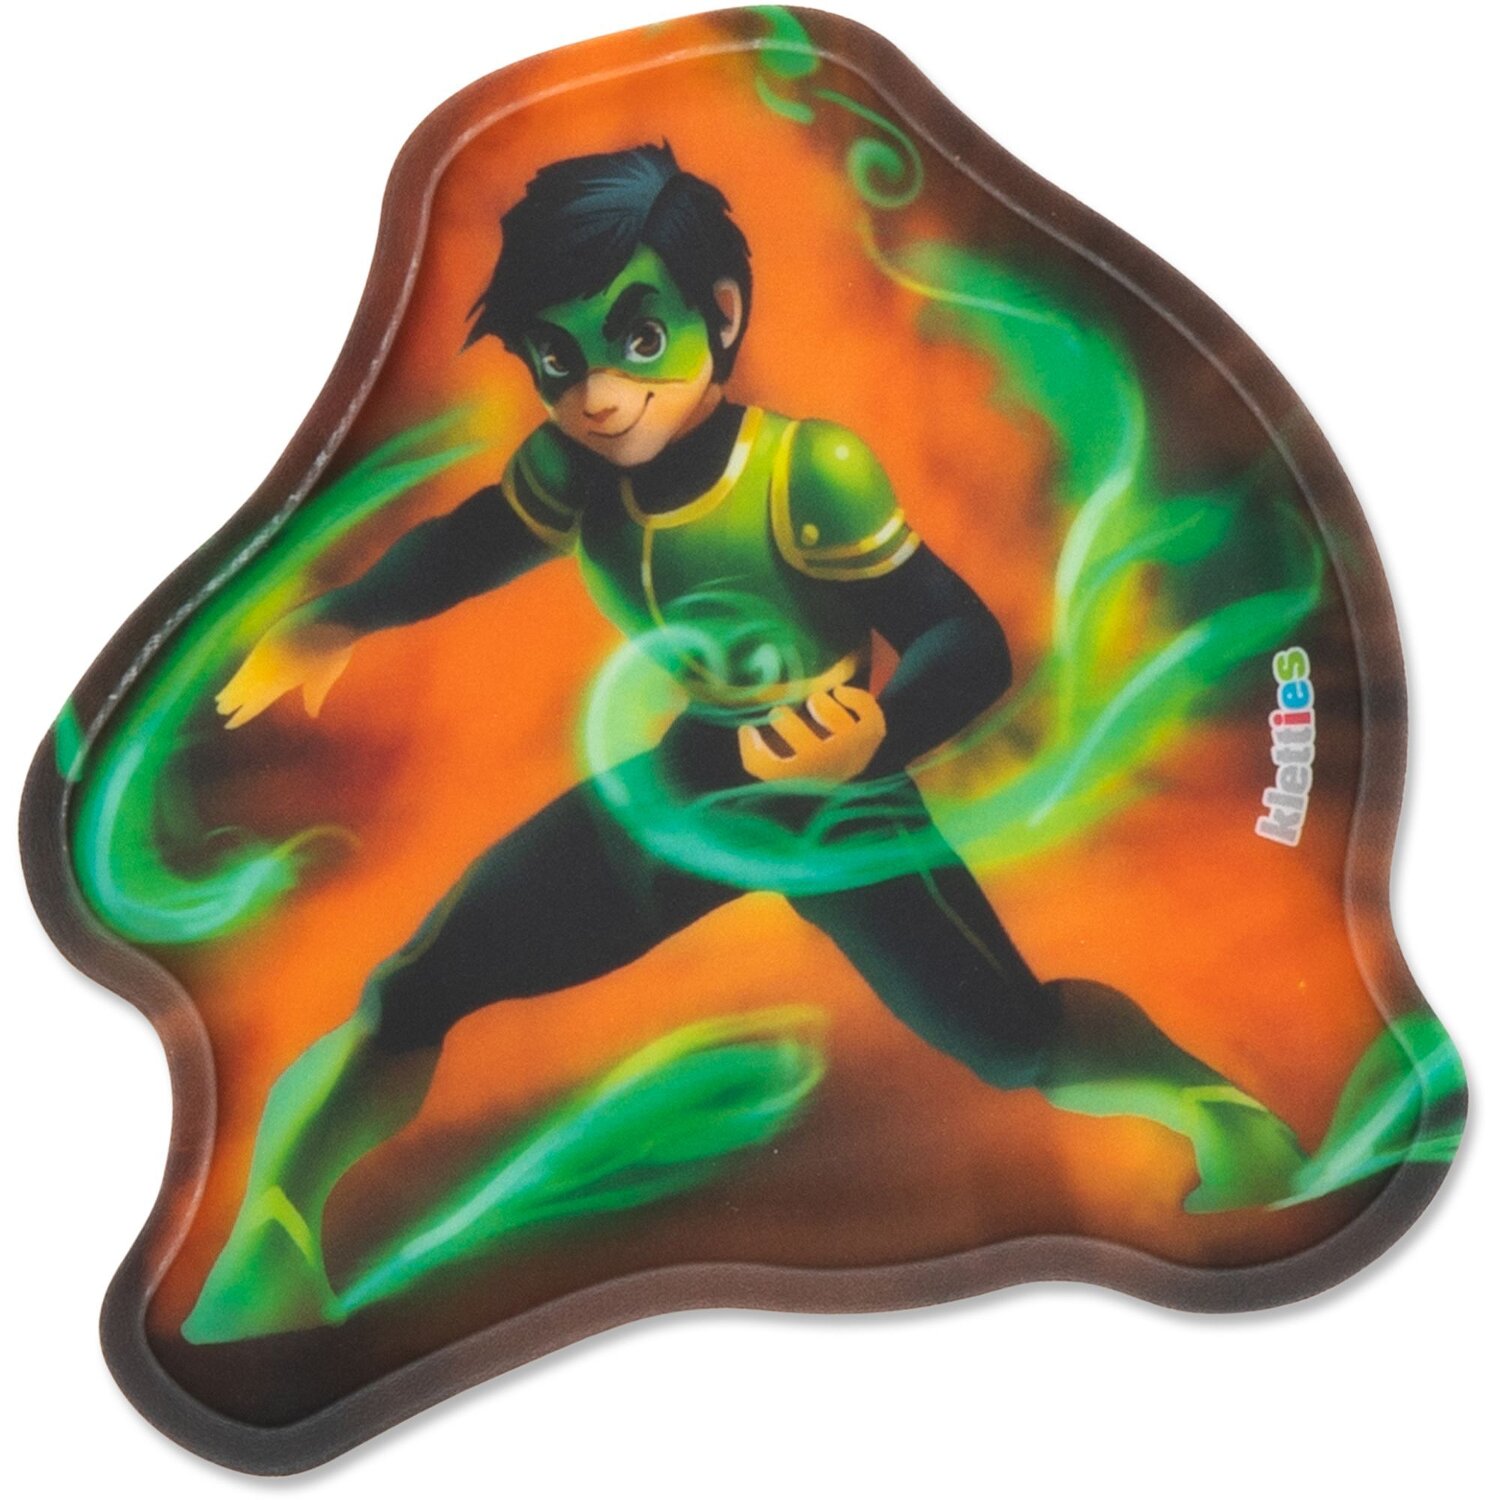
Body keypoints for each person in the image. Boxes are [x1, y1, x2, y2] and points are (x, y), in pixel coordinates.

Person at [184, 143, 1302, 1344]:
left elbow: (962, 639)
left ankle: (1229, 1117)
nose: (599, 393)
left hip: (835, 792)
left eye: (637, 339)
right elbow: (471, 543)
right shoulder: (576, 471)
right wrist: (342, 617)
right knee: (420, 984)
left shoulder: (804, 471)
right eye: (560, 360)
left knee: (1009, 1035)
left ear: (719, 315)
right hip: (695, 780)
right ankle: (274, 1247)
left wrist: (879, 733)